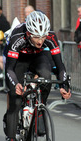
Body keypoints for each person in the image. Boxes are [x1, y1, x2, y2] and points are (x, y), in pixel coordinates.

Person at [4, 11, 71, 141]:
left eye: (43, 37)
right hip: (19, 60)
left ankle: (40, 109)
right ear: (29, 34)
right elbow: (9, 69)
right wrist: (16, 84)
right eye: (36, 37)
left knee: (46, 74)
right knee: (15, 98)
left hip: (37, 56)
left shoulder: (50, 37)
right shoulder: (18, 37)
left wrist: (64, 84)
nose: (40, 41)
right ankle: (11, 135)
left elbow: (59, 65)